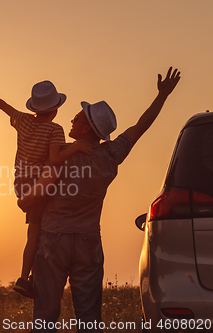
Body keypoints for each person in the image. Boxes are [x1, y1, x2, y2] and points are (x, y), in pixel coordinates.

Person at [19, 67, 181, 332]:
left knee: (45, 318)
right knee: (89, 320)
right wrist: (162, 96)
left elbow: (31, 189)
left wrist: (23, 201)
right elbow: (140, 126)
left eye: (77, 118)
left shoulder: (60, 155)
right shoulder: (110, 156)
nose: (71, 119)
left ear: (85, 128)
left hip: (51, 241)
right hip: (88, 242)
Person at [0, 76, 92, 298]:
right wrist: (76, 147)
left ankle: (31, 278)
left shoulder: (22, 120)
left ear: (34, 107)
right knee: (36, 234)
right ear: (55, 109)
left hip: (20, 184)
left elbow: (2, 105)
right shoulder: (55, 130)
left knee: (36, 231)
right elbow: (55, 159)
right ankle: (25, 279)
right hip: (38, 186)